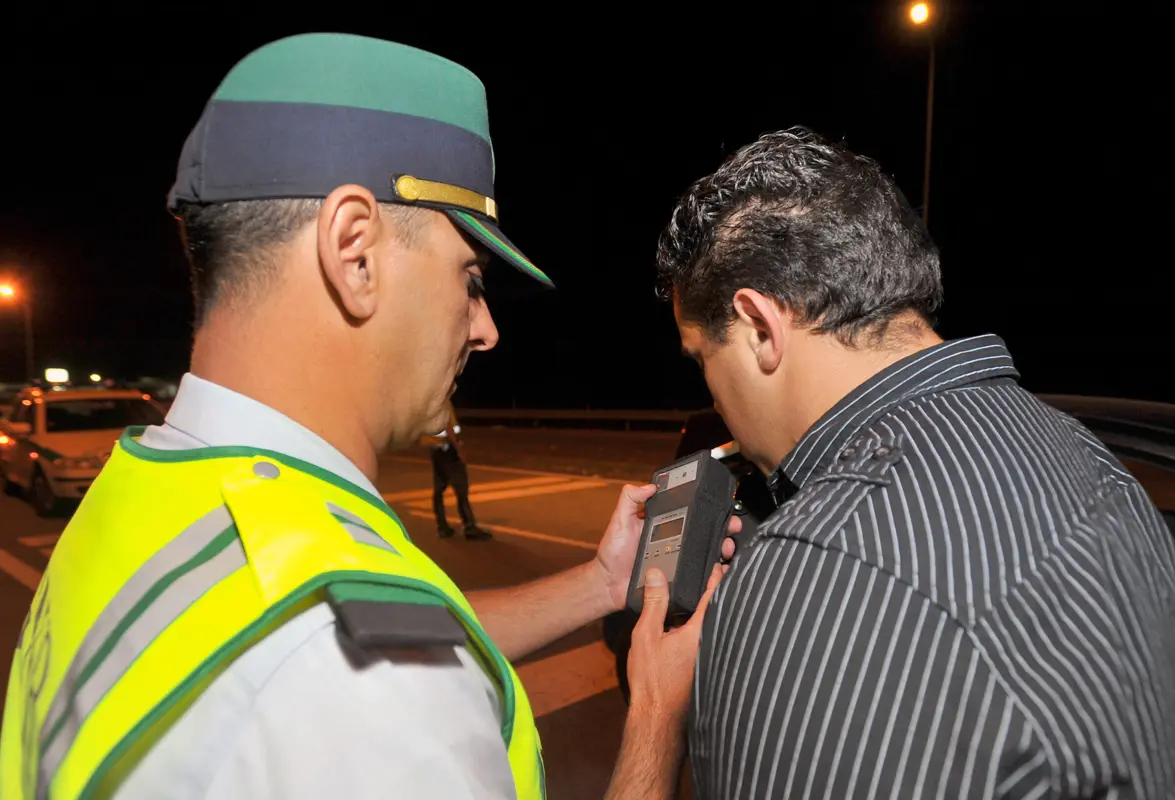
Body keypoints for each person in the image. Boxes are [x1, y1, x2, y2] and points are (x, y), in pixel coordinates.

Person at [0, 33, 735, 800]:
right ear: (355, 253)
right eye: (470, 278)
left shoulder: (152, 482)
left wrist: (600, 584)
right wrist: (657, 714)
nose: (486, 330)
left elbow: (401, 632)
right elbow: (353, 657)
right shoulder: (372, 696)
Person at [655, 126, 1175, 798]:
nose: (709, 391)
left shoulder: (819, 563)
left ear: (761, 328)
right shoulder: (1088, 457)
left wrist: (660, 713)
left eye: (700, 357)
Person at [421, 404, 491, 539]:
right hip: (448, 448)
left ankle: (442, 527)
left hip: (435, 448)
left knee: (439, 488)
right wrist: (459, 449)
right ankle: (469, 526)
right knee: (461, 488)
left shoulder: (427, 400)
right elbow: (447, 425)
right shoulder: (442, 400)